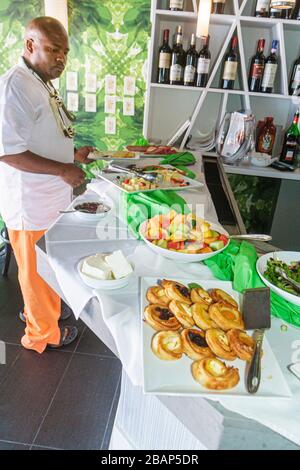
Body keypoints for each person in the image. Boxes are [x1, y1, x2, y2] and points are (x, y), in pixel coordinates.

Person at [0, 16, 92, 353]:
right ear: (30, 45)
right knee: (34, 269)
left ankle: (45, 307)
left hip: (49, 200)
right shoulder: (14, 87)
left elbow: (43, 136)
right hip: (30, 203)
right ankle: (41, 333)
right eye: (53, 50)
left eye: (65, 53)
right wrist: (64, 171)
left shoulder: (39, 82)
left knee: (45, 264)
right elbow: (8, 153)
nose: (61, 59)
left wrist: (74, 157)